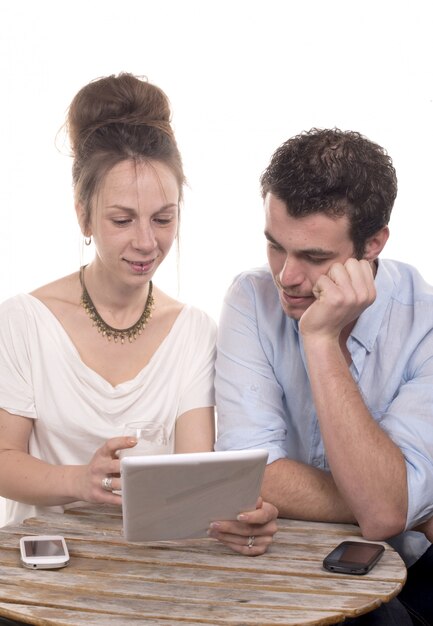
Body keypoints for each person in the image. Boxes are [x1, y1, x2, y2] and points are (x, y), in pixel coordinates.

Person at [0, 72, 277, 558]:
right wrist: (79, 481)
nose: (147, 243)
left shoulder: (192, 330)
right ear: (84, 215)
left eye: (164, 219)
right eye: (122, 220)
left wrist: (236, 513)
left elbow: (195, 473)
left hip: (155, 562)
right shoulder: (24, 321)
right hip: (48, 566)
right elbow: (4, 461)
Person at [215, 128, 433, 623]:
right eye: (275, 247)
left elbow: (381, 516)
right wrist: (400, 504)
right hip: (273, 561)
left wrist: (320, 341)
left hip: (403, 573)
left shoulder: (425, 324)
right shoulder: (250, 298)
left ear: (373, 244)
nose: (286, 277)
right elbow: (249, 471)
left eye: (314, 257)